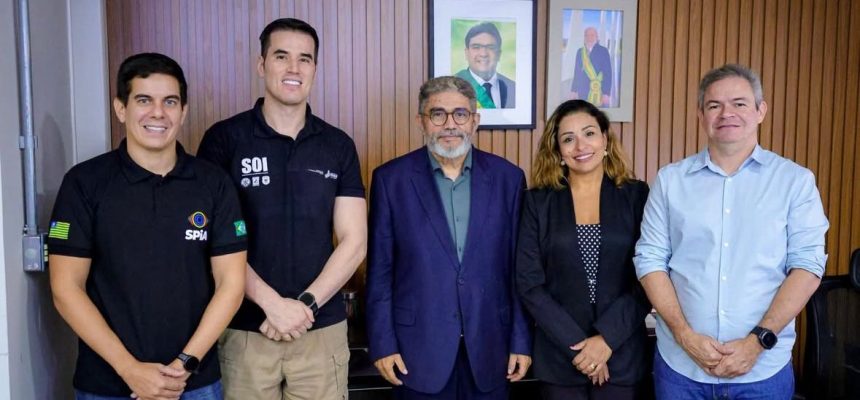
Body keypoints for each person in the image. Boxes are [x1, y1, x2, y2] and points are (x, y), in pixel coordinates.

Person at [48, 52, 247, 399]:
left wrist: (183, 365)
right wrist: (129, 369)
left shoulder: (214, 184)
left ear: (183, 111)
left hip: (194, 384)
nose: (158, 113)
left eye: (170, 102)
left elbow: (231, 283)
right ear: (120, 108)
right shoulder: (84, 183)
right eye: (144, 100)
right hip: (107, 386)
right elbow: (66, 288)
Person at [634, 64, 829, 399]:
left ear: (760, 111)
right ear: (701, 115)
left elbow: (807, 266)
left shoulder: (794, 182)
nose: (727, 113)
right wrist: (684, 335)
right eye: (714, 105)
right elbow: (650, 259)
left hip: (762, 372)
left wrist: (757, 342)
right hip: (681, 369)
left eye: (739, 103)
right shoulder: (670, 181)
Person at [197, 18, 367, 400]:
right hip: (245, 330)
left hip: (320, 330)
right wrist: (272, 305)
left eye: (305, 59)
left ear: (315, 69)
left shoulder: (337, 145)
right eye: (281, 56)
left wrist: (303, 306)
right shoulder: (224, 140)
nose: (294, 68)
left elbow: (354, 241)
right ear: (261, 65)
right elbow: (214, 240)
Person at [365, 76, 531, 399]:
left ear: (475, 121)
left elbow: (518, 270)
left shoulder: (509, 179)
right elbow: (380, 271)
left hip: (492, 350)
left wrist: (521, 341)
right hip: (415, 354)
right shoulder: (390, 180)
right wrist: (382, 344)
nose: (450, 124)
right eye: (438, 114)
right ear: (421, 122)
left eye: (461, 114)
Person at [516, 99, 651, 400]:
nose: (580, 146)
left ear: (605, 139)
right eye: (568, 138)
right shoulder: (537, 202)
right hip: (560, 357)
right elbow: (529, 283)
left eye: (589, 133)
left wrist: (606, 340)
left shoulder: (636, 196)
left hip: (621, 354)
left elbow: (649, 275)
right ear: (558, 151)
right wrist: (581, 346)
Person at [455, 22, 516, 109]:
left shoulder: (514, 88)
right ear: (466, 53)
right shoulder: (453, 86)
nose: (483, 54)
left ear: (499, 54)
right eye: (476, 47)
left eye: (490, 47)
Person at [570, 27, 612, 107]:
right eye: (587, 35)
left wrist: (606, 93)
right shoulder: (580, 52)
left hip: (599, 91)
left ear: (597, 37)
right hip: (582, 92)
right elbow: (577, 72)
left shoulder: (603, 51)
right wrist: (573, 90)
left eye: (592, 35)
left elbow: (608, 73)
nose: (589, 38)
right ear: (584, 37)